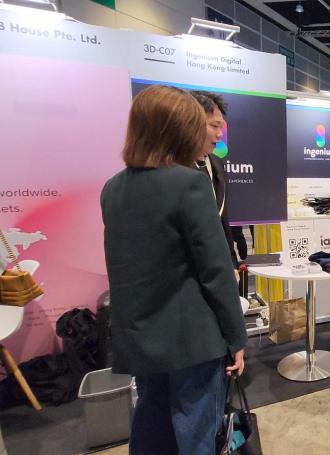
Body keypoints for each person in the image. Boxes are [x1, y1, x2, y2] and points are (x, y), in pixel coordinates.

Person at [101, 85, 247, 454]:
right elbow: (216, 272)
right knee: (196, 434)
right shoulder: (189, 184)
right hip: (193, 340)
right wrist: (236, 339)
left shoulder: (112, 189)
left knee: (151, 428)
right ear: (179, 130)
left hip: (142, 339)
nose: (209, 134)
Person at [189, 91, 239, 271]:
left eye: (221, 127)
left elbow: (223, 223)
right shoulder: (173, 170)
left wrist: (232, 265)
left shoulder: (218, 164)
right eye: (214, 126)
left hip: (219, 267)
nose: (219, 134)